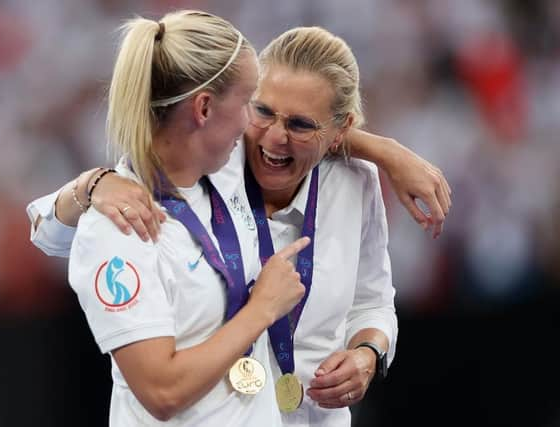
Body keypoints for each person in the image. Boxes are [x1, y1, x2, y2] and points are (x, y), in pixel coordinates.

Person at [28, 25, 452, 427]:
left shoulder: (354, 181)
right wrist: (92, 184)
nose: (272, 137)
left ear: (338, 131)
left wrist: (368, 353)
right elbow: (53, 231)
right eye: (260, 109)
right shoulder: (214, 167)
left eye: (301, 125)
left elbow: (374, 300)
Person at [54, 10, 319, 426]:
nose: (255, 121)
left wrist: (392, 156)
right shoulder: (121, 227)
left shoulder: (224, 171)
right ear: (204, 108)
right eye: (248, 101)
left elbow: (313, 131)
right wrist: (262, 310)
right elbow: (162, 391)